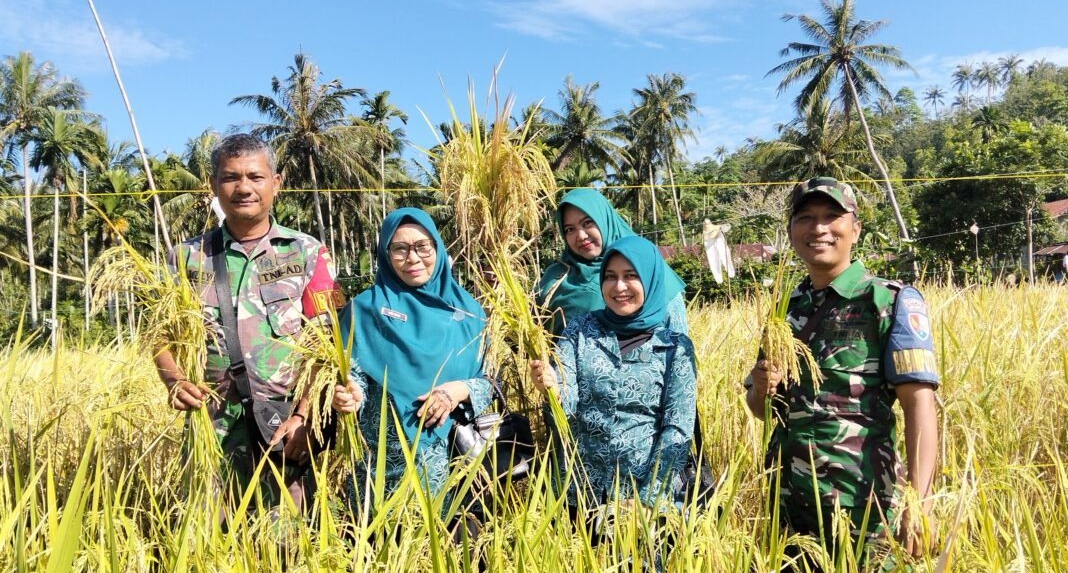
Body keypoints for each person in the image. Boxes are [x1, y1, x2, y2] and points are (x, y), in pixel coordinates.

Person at [745, 176, 940, 571]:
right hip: (788, 505)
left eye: (832, 216)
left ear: (855, 228)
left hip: (864, 505)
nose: (819, 228)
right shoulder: (786, 306)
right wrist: (762, 389)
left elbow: (919, 404)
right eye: (806, 217)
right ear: (791, 231)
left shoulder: (889, 301)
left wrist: (919, 502)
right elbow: (762, 409)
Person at [155, 133, 343, 511]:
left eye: (255, 177)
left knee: (286, 548)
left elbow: (328, 344)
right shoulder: (185, 258)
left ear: (276, 183)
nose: (243, 188)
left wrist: (306, 415)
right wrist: (174, 382)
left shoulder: (308, 254)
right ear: (214, 185)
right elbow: (159, 337)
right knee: (207, 548)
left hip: (284, 430)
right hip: (211, 430)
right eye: (230, 177)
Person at [331, 208, 492, 512]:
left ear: (438, 249)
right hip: (384, 464)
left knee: (453, 551)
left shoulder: (469, 312)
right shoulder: (365, 310)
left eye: (422, 247)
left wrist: (456, 390)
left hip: (459, 461)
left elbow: (491, 381)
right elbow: (353, 375)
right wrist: (349, 395)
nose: (413, 258)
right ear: (385, 254)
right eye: (400, 249)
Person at [529, 235, 697, 512]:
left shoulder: (675, 347)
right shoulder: (580, 330)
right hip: (580, 492)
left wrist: (648, 500)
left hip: (644, 500)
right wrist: (553, 389)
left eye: (630, 276)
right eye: (610, 276)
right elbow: (566, 402)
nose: (619, 287)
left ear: (650, 279)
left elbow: (677, 428)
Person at [536, 188, 688, 336]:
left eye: (587, 223)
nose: (581, 236)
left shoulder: (646, 270)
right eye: (570, 229)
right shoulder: (555, 277)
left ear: (604, 220)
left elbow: (678, 342)